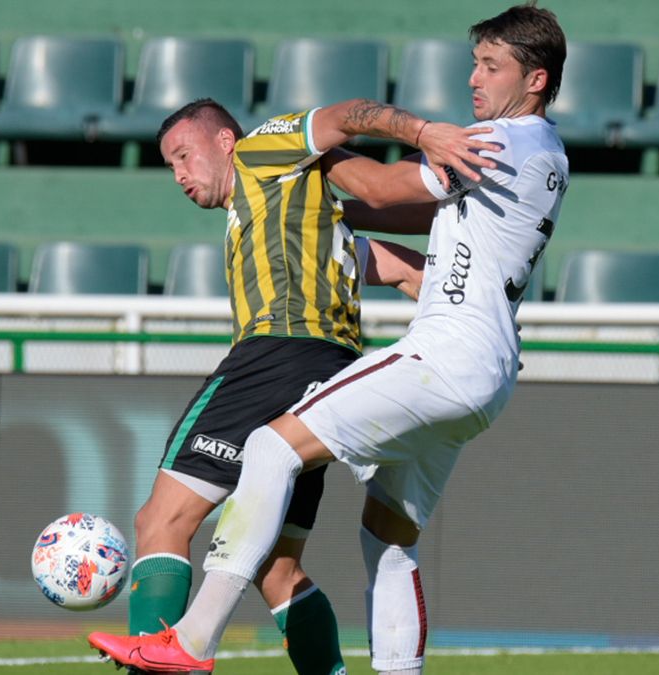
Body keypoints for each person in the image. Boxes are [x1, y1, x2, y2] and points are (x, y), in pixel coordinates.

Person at [92, 4, 567, 673]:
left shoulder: (494, 141)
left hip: (410, 353)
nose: (474, 78)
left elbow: (382, 175)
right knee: (374, 543)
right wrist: (325, 197)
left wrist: (335, 150)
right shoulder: (544, 153)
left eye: (491, 65)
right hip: (488, 367)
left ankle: (188, 642)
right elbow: (404, 240)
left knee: (252, 456)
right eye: (475, 61)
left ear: (536, 78)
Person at [119, 94, 498, 675]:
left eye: (182, 155)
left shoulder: (259, 150)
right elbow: (403, 268)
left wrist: (423, 132)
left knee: (161, 520)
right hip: (328, 386)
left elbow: (344, 115)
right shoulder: (304, 218)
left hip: (275, 357)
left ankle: (158, 660)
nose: (178, 174)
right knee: (277, 569)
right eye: (170, 165)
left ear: (224, 141)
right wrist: (481, 328)